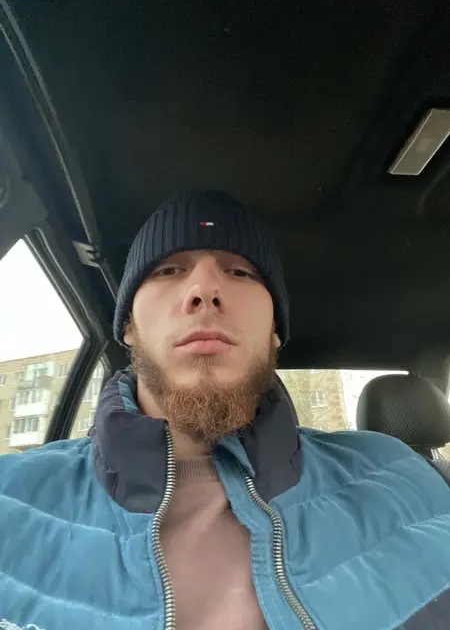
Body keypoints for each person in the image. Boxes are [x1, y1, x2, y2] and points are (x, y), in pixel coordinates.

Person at [0, 189, 450, 630]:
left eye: (239, 272)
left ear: (275, 330)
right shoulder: (11, 498)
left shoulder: (416, 482)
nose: (204, 289)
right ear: (129, 327)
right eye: (168, 270)